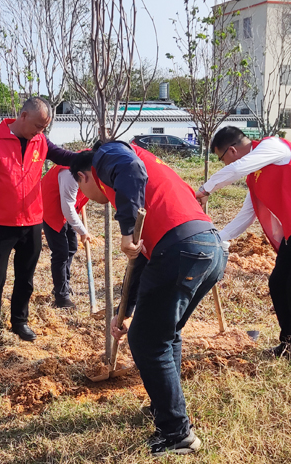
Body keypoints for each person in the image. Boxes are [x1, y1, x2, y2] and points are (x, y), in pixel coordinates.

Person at [70, 142, 227, 457]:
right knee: (165, 334)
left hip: (182, 249)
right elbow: (142, 259)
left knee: (147, 340)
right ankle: (165, 408)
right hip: (208, 246)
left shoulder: (111, 159)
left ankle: (176, 432)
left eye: (81, 186)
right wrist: (123, 312)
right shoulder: (151, 170)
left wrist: (126, 230)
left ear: (86, 175)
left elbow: (128, 171)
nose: (89, 196)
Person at [194, 127, 291, 364]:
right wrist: (219, 238)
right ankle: (288, 344)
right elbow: (247, 214)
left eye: (222, 158)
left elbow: (236, 168)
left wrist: (205, 189)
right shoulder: (255, 176)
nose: (225, 164)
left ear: (232, 150)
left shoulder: (273, 146)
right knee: (279, 284)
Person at [0, 97, 78, 350]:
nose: (41, 131)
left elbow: (65, 156)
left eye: (44, 127)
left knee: (25, 278)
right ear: (23, 116)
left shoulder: (41, 141)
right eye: (38, 125)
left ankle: (19, 321)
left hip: (32, 221)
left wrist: (94, 157)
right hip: (1, 222)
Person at [41, 162, 94, 309]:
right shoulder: (70, 173)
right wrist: (83, 232)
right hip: (50, 206)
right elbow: (67, 208)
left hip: (66, 205)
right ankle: (61, 297)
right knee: (61, 253)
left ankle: (63, 284)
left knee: (71, 247)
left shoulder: (93, 166)